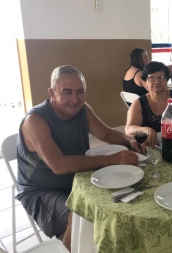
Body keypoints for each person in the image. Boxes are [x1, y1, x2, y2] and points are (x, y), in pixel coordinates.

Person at [16, 65, 141, 251]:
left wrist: (130, 140)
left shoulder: (83, 109)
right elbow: (58, 165)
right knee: (80, 214)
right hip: (41, 191)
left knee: (126, 198)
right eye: (67, 92)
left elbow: (107, 134)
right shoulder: (35, 120)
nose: (75, 99)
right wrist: (111, 159)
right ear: (52, 92)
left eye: (80, 92)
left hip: (78, 180)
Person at [125, 61, 172, 147]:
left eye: (161, 77)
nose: (157, 81)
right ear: (145, 82)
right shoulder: (139, 103)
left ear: (167, 79)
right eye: (152, 78)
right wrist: (146, 130)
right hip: (151, 149)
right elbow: (129, 128)